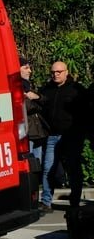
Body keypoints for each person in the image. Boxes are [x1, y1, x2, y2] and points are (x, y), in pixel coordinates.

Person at [36, 61, 86, 227]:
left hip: (72, 136)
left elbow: (86, 111)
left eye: (59, 72)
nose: (55, 74)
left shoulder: (76, 90)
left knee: (73, 168)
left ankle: (75, 200)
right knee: (48, 168)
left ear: (66, 72)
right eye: (53, 72)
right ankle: (46, 202)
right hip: (52, 136)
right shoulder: (46, 90)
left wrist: (81, 131)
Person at [20, 58, 47, 182]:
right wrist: (37, 100)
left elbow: (44, 101)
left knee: (37, 166)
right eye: (26, 68)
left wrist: (36, 97)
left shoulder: (27, 86)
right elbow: (27, 106)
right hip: (28, 133)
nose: (30, 71)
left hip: (36, 132)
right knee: (30, 167)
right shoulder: (18, 87)